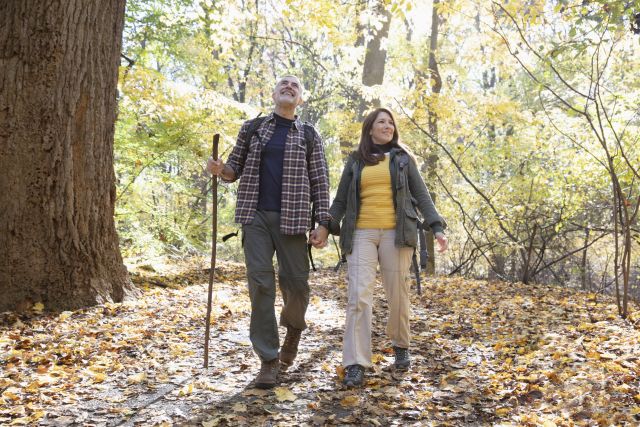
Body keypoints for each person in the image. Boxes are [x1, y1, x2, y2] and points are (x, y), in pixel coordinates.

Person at [207, 75, 331, 389]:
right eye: (283, 85)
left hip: (293, 219)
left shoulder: (309, 135)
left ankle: (293, 331)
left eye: (295, 86)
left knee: (296, 286)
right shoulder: (253, 129)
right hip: (255, 217)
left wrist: (324, 223)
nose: (289, 88)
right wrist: (220, 169)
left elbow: (320, 181)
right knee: (261, 285)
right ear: (274, 94)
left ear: (301, 99)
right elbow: (232, 170)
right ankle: (268, 360)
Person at [314, 108, 448, 387]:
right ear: (370, 129)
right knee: (358, 296)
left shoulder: (402, 158)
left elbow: (422, 195)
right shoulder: (355, 160)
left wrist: (436, 227)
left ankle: (401, 344)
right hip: (360, 232)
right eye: (381, 122)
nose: (387, 126)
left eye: (390, 122)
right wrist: (326, 226)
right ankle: (355, 362)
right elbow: (339, 201)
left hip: (397, 233)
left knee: (397, 293)